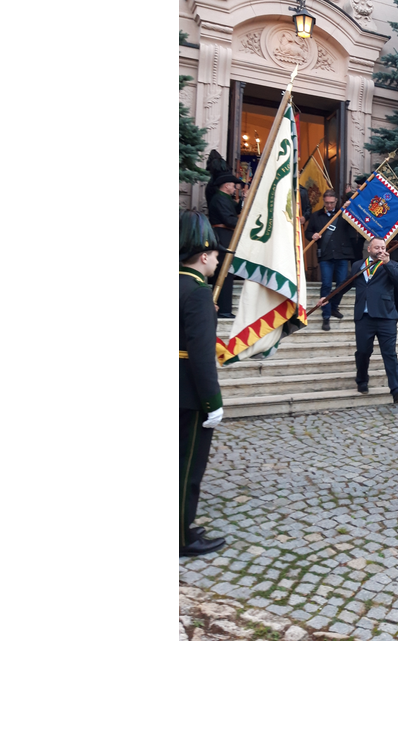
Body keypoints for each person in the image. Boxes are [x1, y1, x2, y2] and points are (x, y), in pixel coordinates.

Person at [179, 210, 228, 557]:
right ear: (204, 255)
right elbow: (199, 355)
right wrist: (212, 401)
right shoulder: (197, 292)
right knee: (187, 469)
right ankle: (183, 537)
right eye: (215, 256)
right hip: (188, 394)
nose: (216, 262)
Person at [339, 236, 398, 403]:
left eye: (383, 247)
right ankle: (362, 380)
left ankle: (397, 390)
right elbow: (345, 285)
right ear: (369, 249)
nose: (380, 250)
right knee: (363, 352)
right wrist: (327, 299)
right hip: (364, 317)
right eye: (377, 248)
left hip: (386, 317)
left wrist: (388, 263)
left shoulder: (392, 265)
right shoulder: (358, 266)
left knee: (389, 354)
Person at [308, 188, 360, 331]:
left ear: (336, 201)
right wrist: (313, 236)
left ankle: (333, 307)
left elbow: (358, 221)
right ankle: (326, 316)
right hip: (325, 255)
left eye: (332, 203)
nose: (329, 206)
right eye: (327, 203)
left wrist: (350, 207)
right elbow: (308, 232)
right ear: (324, 202)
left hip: (342, 254)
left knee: (342, 285)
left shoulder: (344, 214)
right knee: (326, 284)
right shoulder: (316, 216)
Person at [207, 172, 247, 318]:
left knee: (228, 272)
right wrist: (246, 224)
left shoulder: (224, 198)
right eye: (233, 185)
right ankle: (223, 309)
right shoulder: (219, 198)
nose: (235, 187)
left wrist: (243, 199)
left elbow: (235, 211)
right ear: (226, 185)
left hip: (227, 236)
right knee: (224, 272)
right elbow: (229, 219)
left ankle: (224, 308)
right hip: (222, 236)